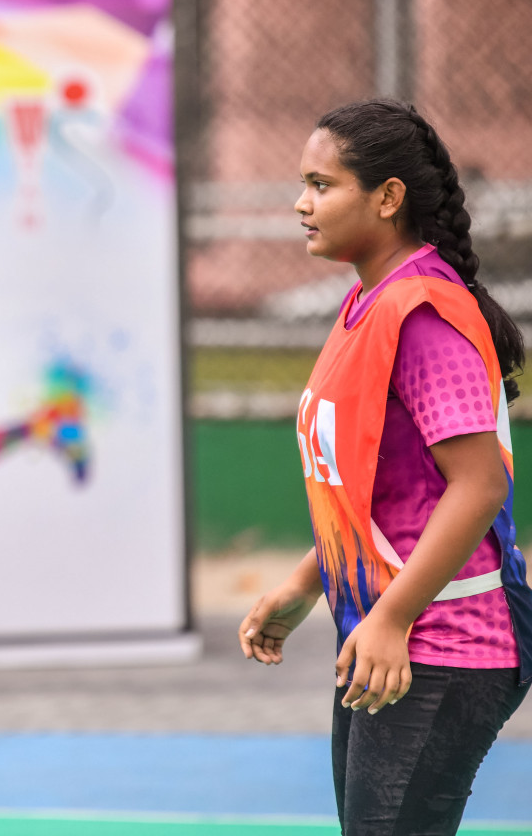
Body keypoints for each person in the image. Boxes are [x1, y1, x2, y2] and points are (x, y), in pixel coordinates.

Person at [240, 99, 532, 835]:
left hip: (445, 641)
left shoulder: (425, 314)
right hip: (387, 634)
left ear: (388, 196)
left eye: (321, 184)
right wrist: (307, 584)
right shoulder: (369, 306)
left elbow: (479, 484)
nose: (302, 204)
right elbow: (379, 492)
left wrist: (394, 616)